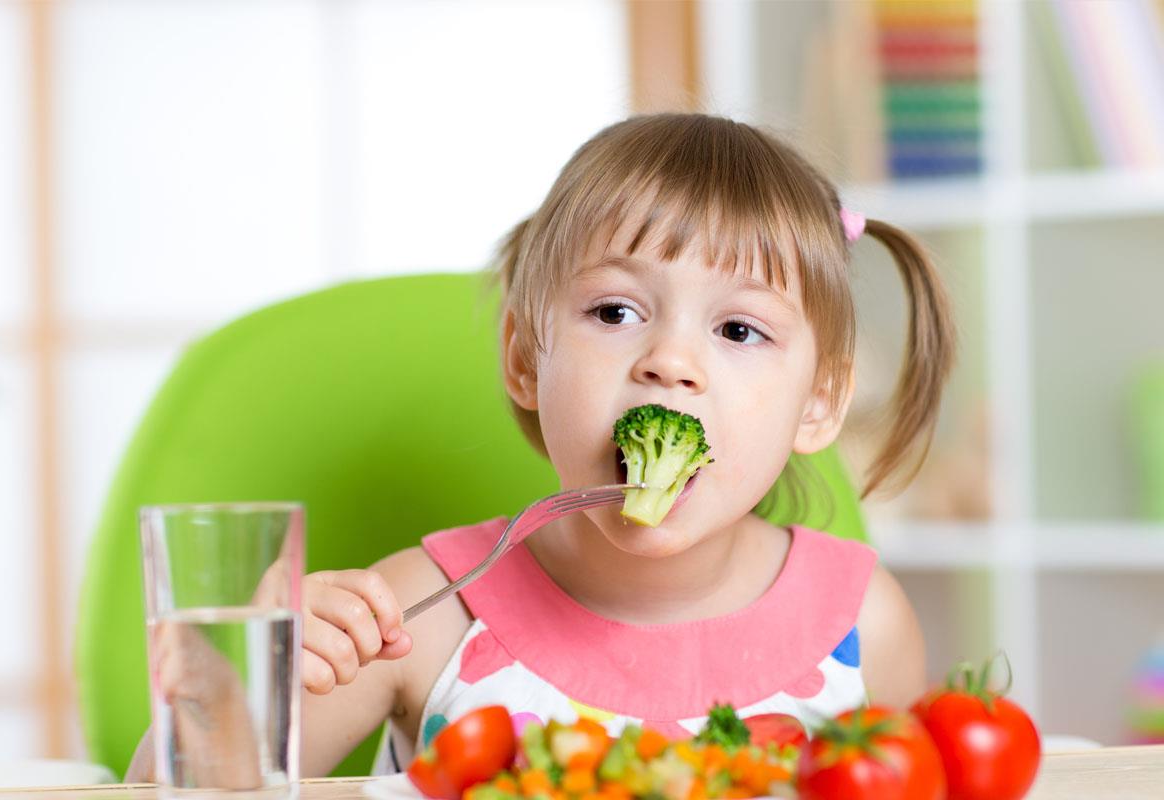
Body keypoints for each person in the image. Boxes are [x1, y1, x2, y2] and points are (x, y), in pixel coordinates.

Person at [126, 112, 956, 781]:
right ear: (527, 359)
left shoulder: (865, 622)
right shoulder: (422, 614)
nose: (669, 362)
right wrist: (237, 687)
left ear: (819, 405)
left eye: (739, 329)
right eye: (616, 313)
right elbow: (195, 790)